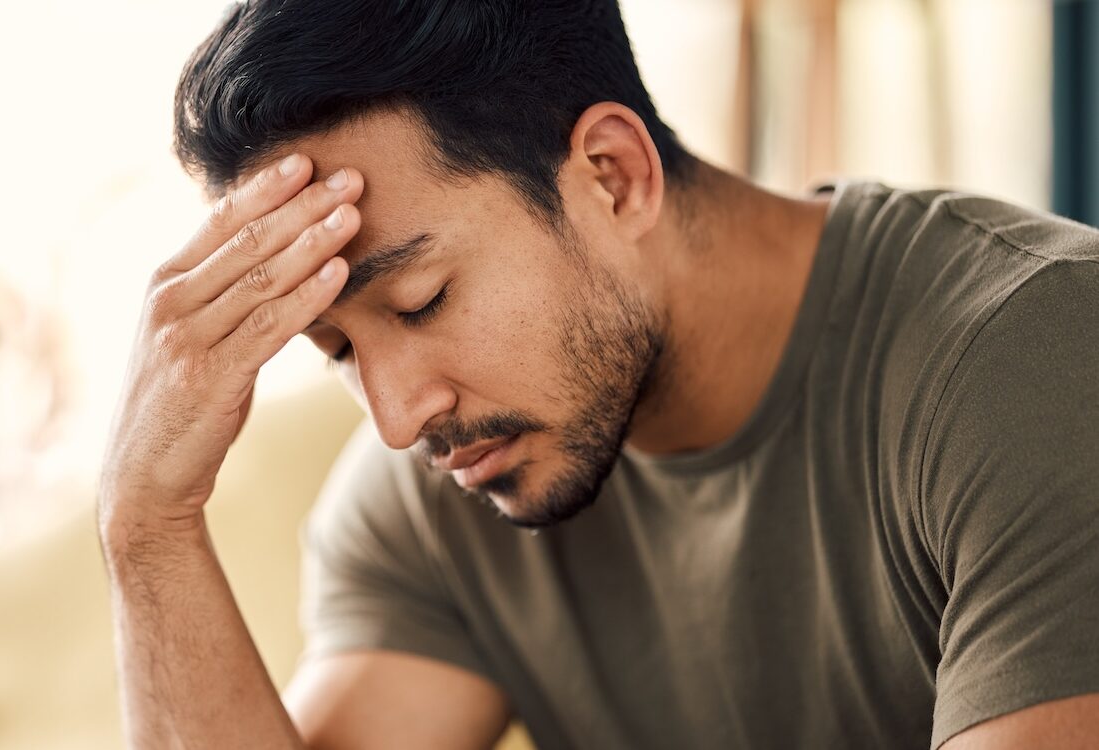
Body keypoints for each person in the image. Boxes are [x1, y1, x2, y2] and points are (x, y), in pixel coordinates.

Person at [96, 1, 1099, 747]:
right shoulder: (435, 506)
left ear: (614, 178)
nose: (398, 420)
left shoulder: (1036, 354)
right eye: (338, 350)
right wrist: (146, 527)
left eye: (420, 301)